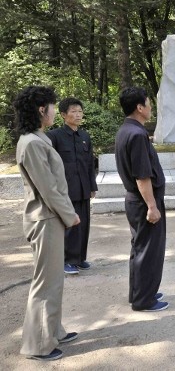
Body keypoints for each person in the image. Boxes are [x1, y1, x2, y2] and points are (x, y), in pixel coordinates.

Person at [13, 86, 81, 361]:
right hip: (45, 218)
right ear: (42, 110)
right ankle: (39, 345)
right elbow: (48, 188)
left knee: (54, 280)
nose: (56, 111)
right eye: (53, 106)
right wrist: (70, 214)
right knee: (46, 283)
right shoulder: (31, 143)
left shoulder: (38, 139)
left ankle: (53, 330)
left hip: (49, 216)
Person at [114, 87, 168, 312]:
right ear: (139, 107)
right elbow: (142, 175)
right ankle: (144, 300)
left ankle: (140, 292)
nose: (151, 107)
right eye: (149, 103)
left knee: (140, 248)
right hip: (144, 201)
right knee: (148, 250)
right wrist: (152, 206)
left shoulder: (126, 130)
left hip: (137, 201)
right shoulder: (136, 135)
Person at [46, 98, 98, 275]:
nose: (78, 115)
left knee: (83, 224)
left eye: (80, 111)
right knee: (69, 225)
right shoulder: (54, 136)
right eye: (73, 111)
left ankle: (80, 258)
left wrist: (92, 186)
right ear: (63, 115)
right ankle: (67, 260)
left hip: (83, 188)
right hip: (65, 189)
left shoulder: (84, 136)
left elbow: (90, 163)